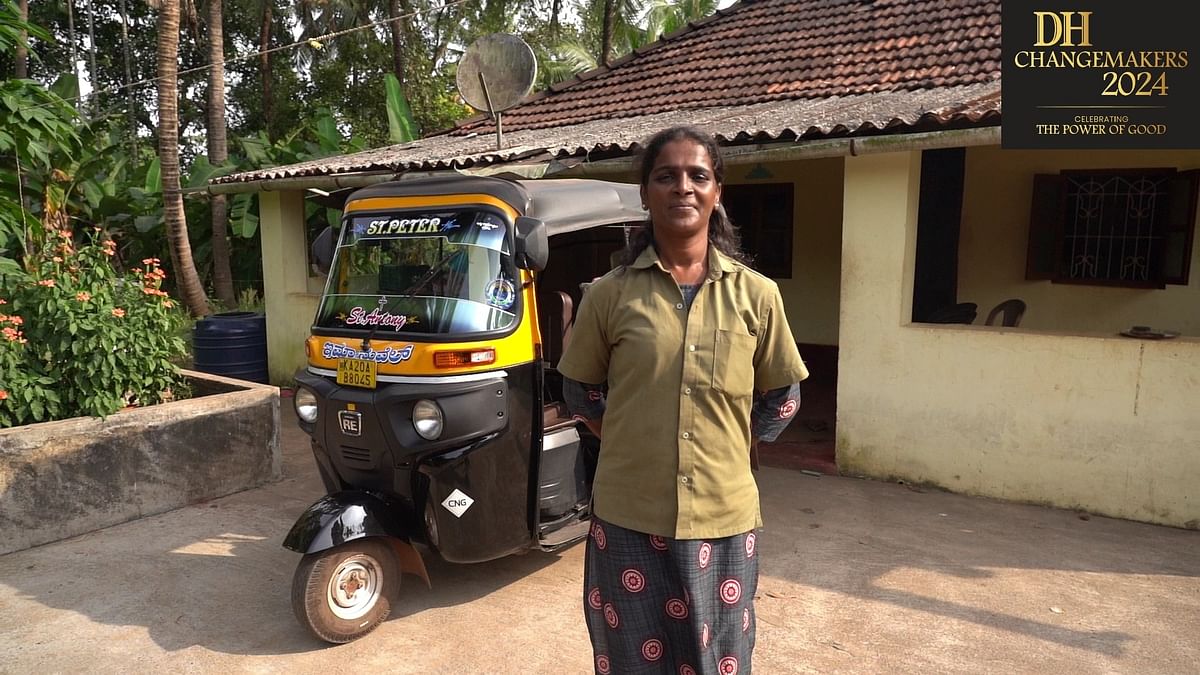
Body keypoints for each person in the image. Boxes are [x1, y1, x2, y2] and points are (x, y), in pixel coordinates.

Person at [558, 126, 809, 675]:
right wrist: (629, 436)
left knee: (718, 656)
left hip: (723, 518)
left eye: (698, 175)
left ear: (718, 191)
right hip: (628, 516)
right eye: (666, 176)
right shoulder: (608, 294)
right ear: (646, 193)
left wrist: (731, 444)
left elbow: (781, 397)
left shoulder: (757, 295)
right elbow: (580, 389)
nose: (683, 188)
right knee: (632, 658)